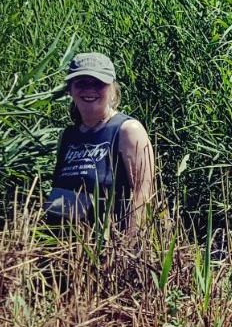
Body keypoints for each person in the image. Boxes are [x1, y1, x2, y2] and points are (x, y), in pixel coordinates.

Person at [45, 52, 157, 237]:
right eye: (81, 83)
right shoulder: (67, 136)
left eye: (98, 83)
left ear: (112, 88)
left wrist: (127, 249)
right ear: (70, 89)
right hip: (63, 250)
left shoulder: (128, 130)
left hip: (110, 248)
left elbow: (143, 194)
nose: (90, 90)